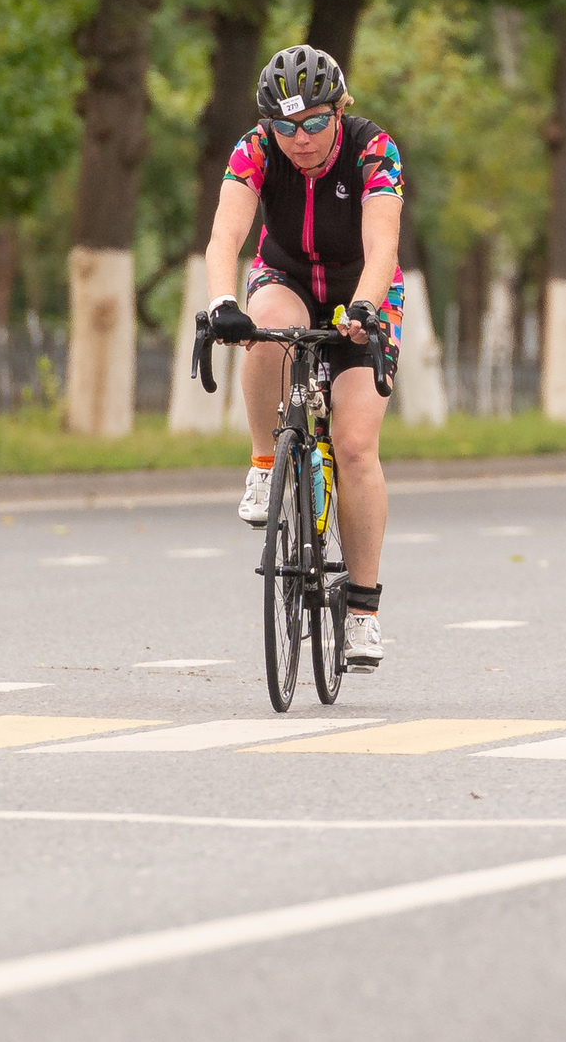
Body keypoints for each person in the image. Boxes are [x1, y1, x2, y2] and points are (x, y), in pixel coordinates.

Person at [200, 45, 403, 668]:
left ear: (338, 111)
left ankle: (363, 609)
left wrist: (364, 312)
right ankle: (266, 460)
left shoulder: (374, 149)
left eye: (314, 123)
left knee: (355, 444)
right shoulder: (255, 149)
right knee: (261, 329)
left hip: (361, 290)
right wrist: (222, 302)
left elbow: (382, 245)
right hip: (285, 278)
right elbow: (224, 237)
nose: (301, 139)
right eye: (286, 127)